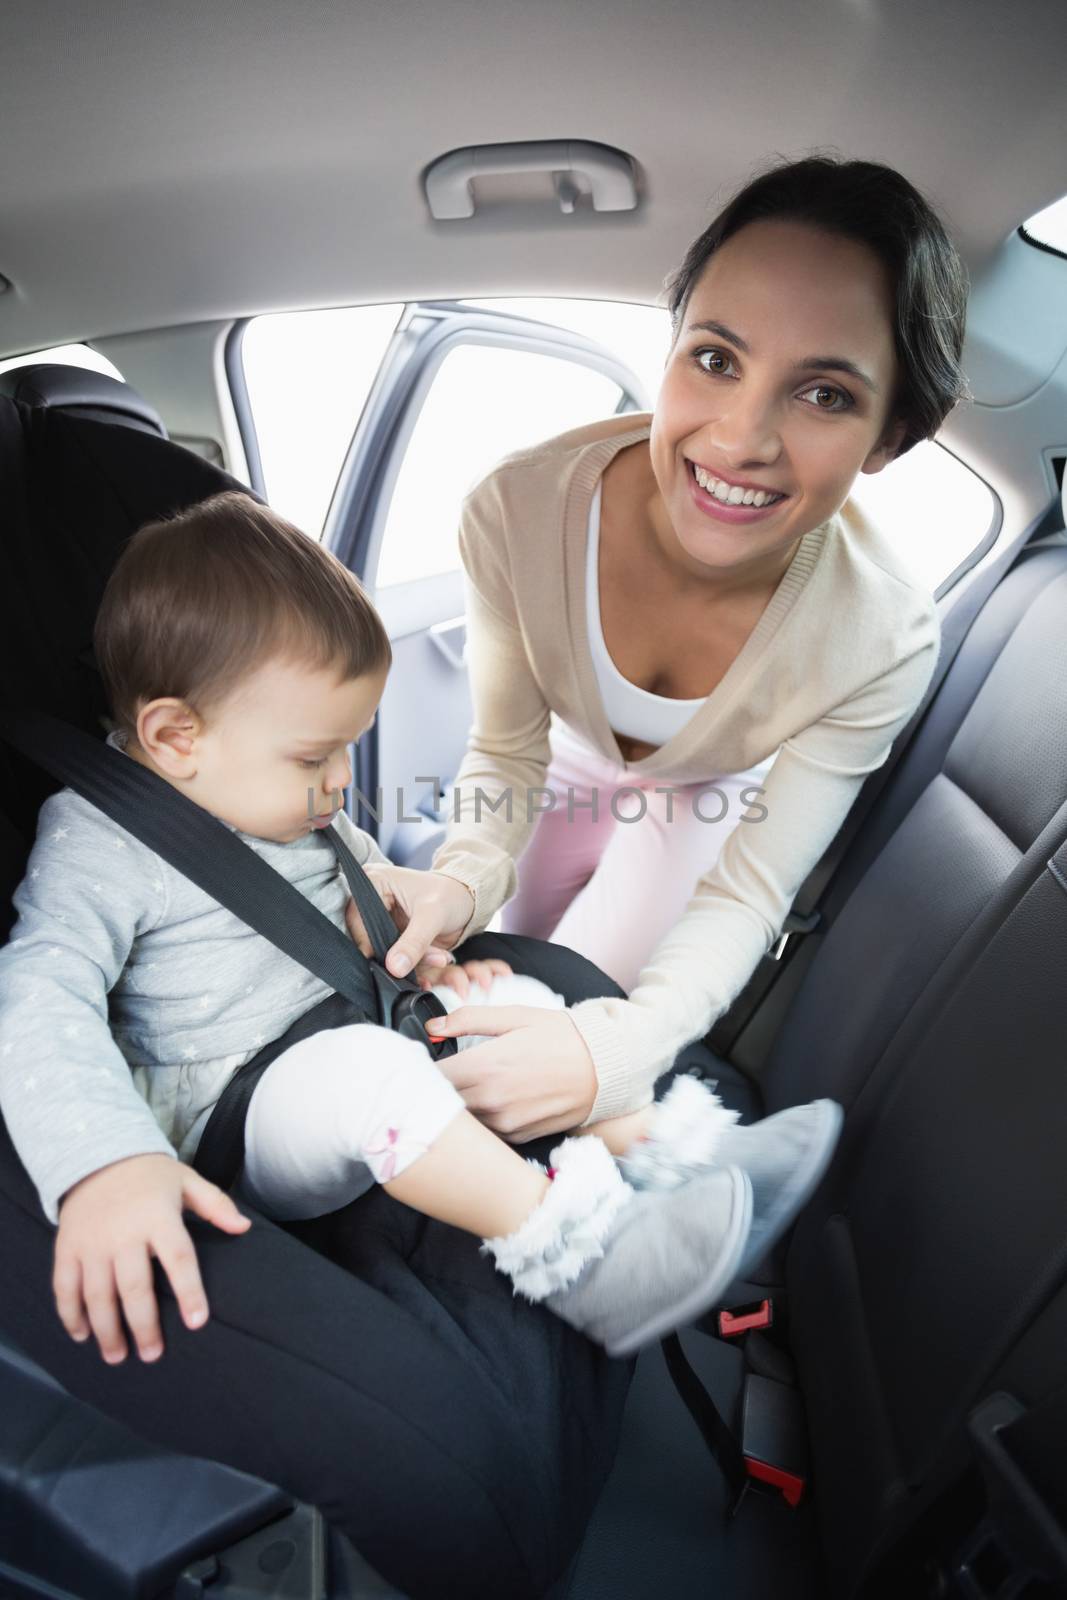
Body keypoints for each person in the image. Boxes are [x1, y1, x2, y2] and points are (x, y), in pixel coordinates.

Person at [0, 491, 841, 1371]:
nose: (337, 783)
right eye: (314, 756)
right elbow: (40, 996)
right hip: (239, 1114)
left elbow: (356, 892)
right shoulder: (103, 842)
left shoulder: (272, 792)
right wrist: (105, 1163)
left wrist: (425, 965)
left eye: (350, 748)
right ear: (176, 736)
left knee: (517, 999)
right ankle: (590, 1260)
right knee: (371, 1077)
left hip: (352, 1019)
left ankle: (674, 1156)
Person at [348, 154, 969, 1142]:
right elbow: (506, 753)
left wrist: (618, 1053)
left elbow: (750, 887)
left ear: (887, 437)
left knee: (582, 1006)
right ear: (671, 346)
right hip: (553, 768)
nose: (739, 438)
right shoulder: (515, 510)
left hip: (700, 801)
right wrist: (459, 878)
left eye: (823, 395)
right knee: (482, 949)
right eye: (715, 359)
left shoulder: (880, 636)